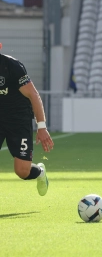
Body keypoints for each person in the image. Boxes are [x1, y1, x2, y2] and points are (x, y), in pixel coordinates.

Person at [0, 44, 53, 196]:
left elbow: (33, 95)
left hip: (18, 120)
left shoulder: (12, 66)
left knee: (22, 171)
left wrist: (41, 127)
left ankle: (41, 172)